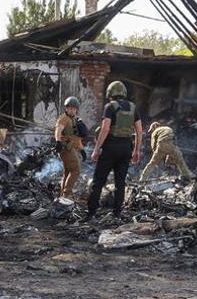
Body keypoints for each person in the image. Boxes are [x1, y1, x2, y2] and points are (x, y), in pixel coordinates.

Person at [88, 80, 143, 218]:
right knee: (120, 182)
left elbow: (105, 129)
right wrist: (136, 150)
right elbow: (139, 131)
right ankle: (117, 212)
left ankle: (91, 213)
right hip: (126, 149)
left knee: (98, 181)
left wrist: (96, 149)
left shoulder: (110, 107)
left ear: (110, 93)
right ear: (124, 93)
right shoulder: (133, 107)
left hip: (110, 148)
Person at [54, 96, 85, 197]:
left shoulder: (74, 120)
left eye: (74, 109)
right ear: (66, 108)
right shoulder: (64, 118)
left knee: (68, 171)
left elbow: (76, 138)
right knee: (76, 170)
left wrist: (82, 150)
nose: (72, 110)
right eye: (70, 108)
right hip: (66, 148)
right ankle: (66, 195)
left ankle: (62, 196)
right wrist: (58, 141)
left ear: (76, 110)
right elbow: (58, 130)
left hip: (71, 148)